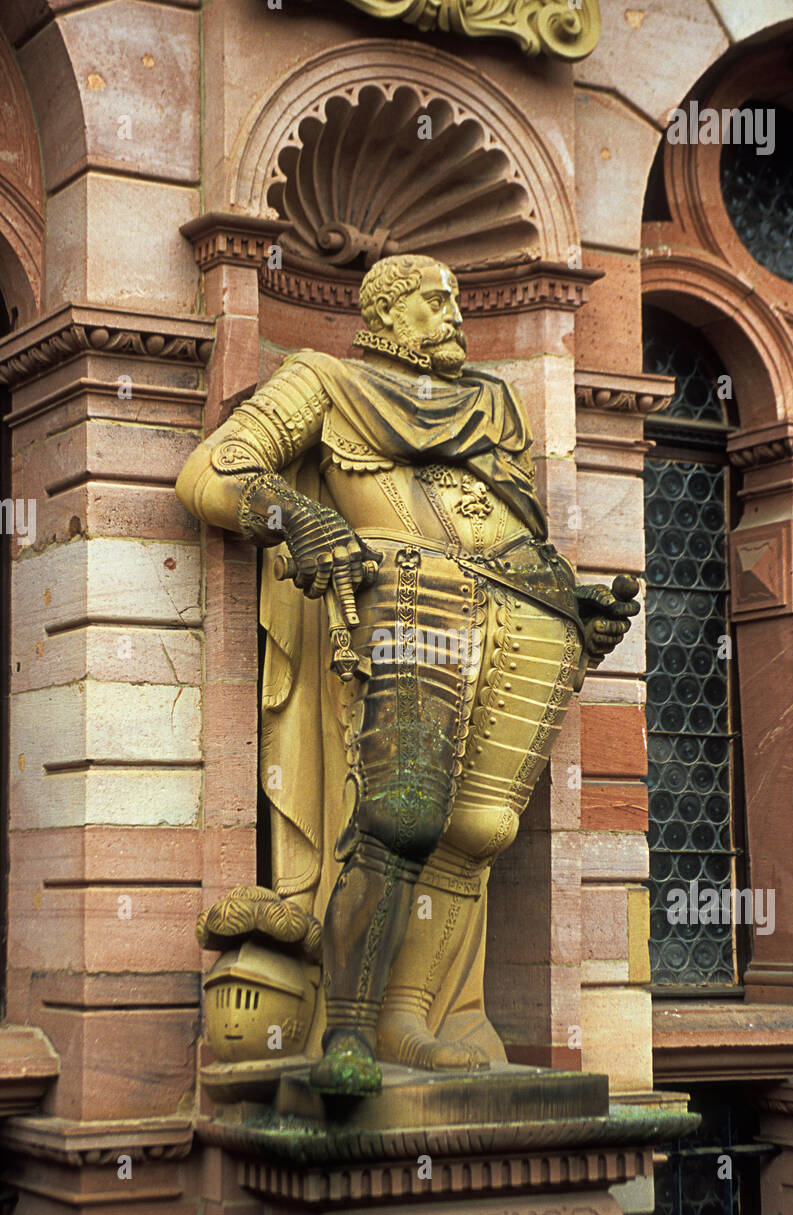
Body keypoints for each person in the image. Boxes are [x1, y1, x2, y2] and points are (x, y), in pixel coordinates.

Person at [176, 253, 639, 1096]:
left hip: (524, 616)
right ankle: (348, 1030)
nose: (454, 316)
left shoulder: (493, 405)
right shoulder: (322, 379)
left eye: (457, 301)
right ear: (381, 317)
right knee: (401, 819)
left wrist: (575, 603)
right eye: (432, 302)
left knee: (483, 834)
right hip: (412, 603)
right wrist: (300, 518)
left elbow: (511, 529)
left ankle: (410, 1019)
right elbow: (213, 470)